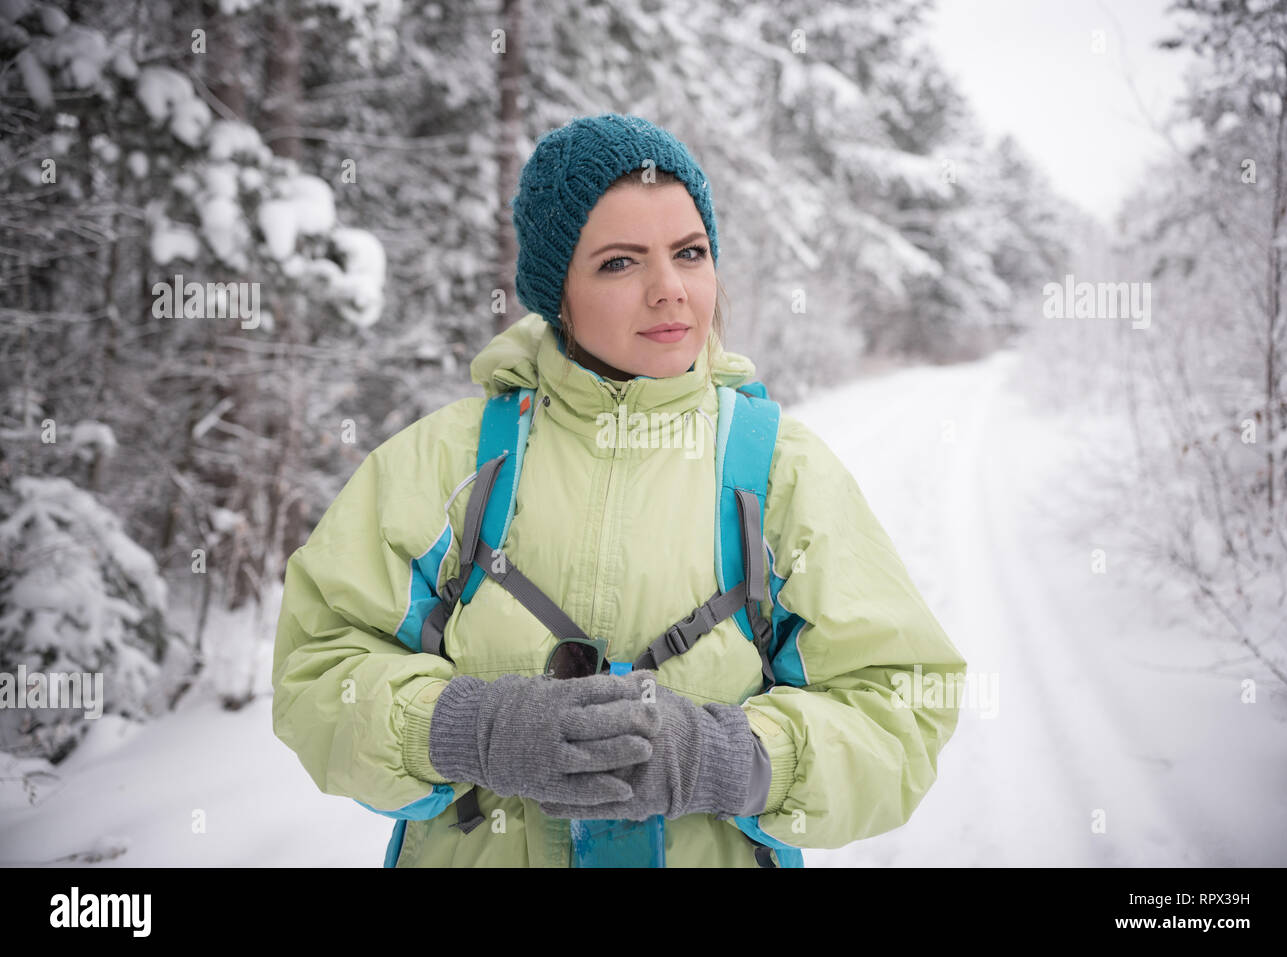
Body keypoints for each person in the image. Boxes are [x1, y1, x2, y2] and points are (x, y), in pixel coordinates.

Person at [270, 113, 967, 868]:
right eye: (619, 263)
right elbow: (316, 668)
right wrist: (473, 730)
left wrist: (730, 757)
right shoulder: (450, 461)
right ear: (555, 290)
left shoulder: (779, 471)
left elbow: (904, 701)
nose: (670, 291)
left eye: (689, 253)